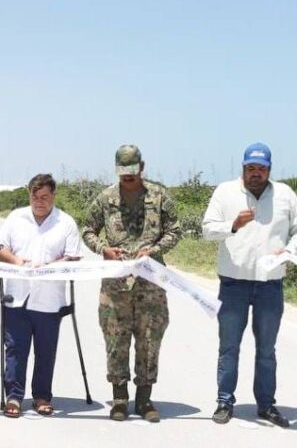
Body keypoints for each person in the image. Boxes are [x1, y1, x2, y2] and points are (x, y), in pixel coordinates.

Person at [82, 145, 180, 422]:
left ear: (142, 166)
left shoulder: (159, 196)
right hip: (115, 285)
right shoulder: (105, 198)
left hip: (150, 282)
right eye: (122, 172)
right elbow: (88, 229)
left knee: (150, 340)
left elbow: (175, 230)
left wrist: (155, 249)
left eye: (132, 172)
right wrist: (103, 249)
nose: (127, 177)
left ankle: (145, 400)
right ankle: (120, 399)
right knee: (116, 339)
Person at [202, 142, 297, 428]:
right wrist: (232, 225)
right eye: (251, 168)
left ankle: (266, 405)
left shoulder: (285, 195)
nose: (256, 173)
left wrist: (290, 252)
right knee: (229, 347)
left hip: (270, 285)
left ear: (270, 169)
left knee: (267, 350)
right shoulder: (225, 192)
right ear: (243, 167)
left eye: (262, 168)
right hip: (234, 284)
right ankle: (224, 402)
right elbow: (207, 230)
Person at [0, 174, 82, 418]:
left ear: (54, 195)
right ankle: (13, 397)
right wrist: (17, 261)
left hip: (50, 300)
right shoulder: (15, 218)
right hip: (17, 296)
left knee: (45, 351)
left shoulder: (66, 222)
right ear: (28, 195)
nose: (39, 201)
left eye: (44, 197)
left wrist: (50, 265)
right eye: (34, 196)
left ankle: (42, 396)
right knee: (15, 349)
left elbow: (74, 257)